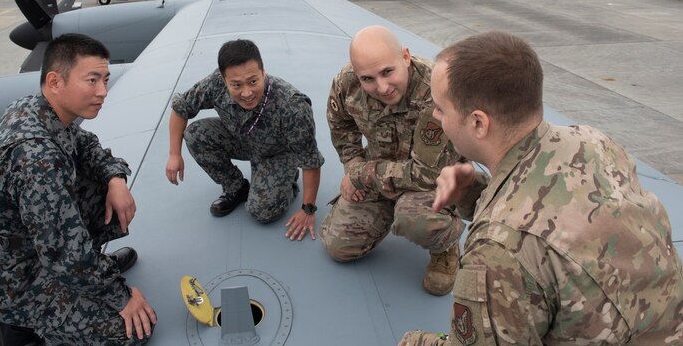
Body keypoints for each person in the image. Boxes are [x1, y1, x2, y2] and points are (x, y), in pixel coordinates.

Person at [400, 31, 683, 345]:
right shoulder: (592, 141)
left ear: (478, 123)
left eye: (440, 109)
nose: (436, 117)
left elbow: (525, 238)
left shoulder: (497, 248)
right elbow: (559, 216)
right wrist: (472, 193)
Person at [0, 34, 156, 346]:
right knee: (133, 330)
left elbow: (87, 145)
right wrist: (121, 296)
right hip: (12, 283)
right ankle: (19, 326)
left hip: (32, 249)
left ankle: (89, 277)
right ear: (55, 81)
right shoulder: (36, 158)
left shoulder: (36, 109)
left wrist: (115, 179)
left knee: (96, 179)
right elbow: (65, 255)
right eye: (92, 80)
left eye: (105, 80)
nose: (103, 92)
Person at [319, 25, 465, 296]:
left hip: (431, 184)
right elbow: (341, 126)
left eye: (388, 72)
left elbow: (426, 174)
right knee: (339, 246)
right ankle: (385, 210)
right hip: (378, 176)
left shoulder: (436, 92)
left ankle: (445, 245)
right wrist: (352, 165)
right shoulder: (347, 83)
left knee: (413, 219)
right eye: (368, 79)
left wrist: (360, 175)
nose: (382, 87)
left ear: (406, 57)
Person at [166, 39, 324, 241]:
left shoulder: (292, 105)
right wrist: (174, 154)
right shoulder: (215, 83)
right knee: (195, 134)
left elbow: (310, 160)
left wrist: (308, 209)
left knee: (262, 212)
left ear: (263, 73)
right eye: (236, 85)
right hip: (240, 139)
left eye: (253, 82)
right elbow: (181, 107)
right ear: (224, 79)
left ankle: (288, 183)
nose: (247, 93)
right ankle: (236, 187)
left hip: (276, 153)